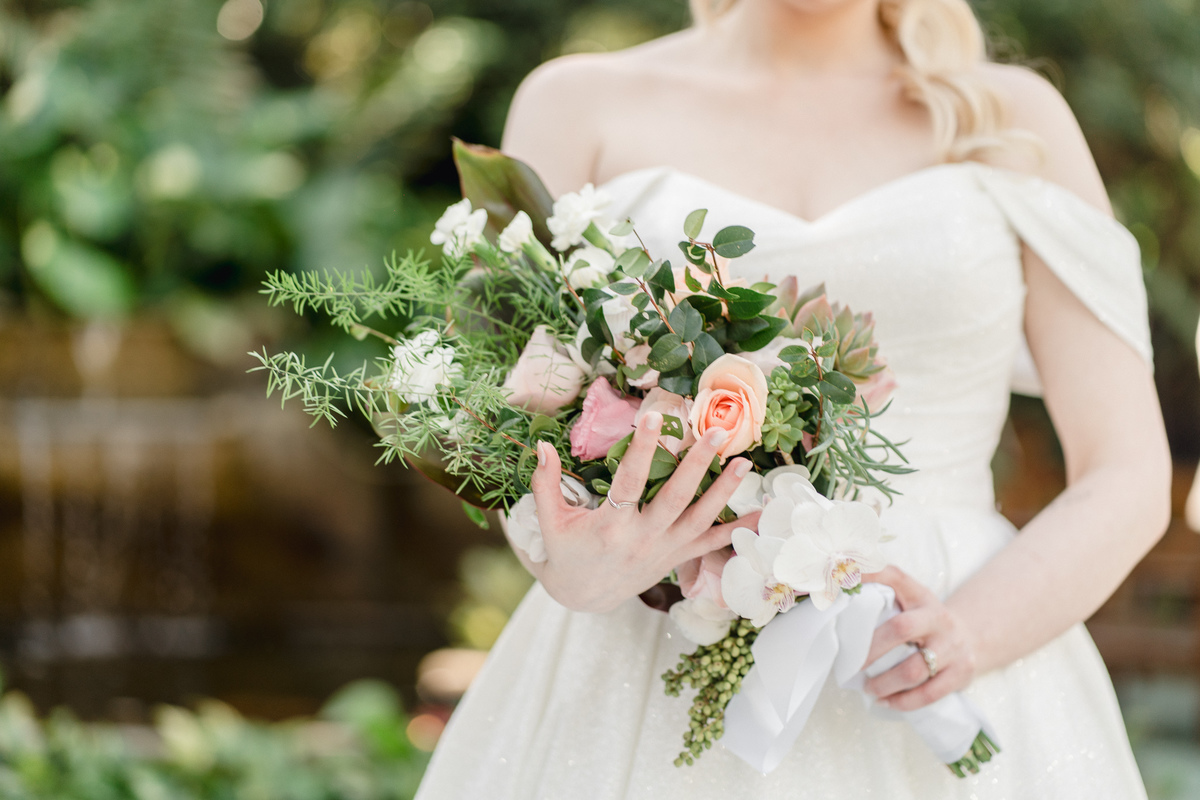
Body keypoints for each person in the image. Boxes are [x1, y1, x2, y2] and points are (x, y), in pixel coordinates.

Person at [415, 0, 1173, 797]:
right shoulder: (577, 103)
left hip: (944, 628)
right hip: (646, 639)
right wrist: (568, 563)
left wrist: (970, 634)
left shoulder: (1016, 118)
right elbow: (506, 420)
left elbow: (1124, 471)